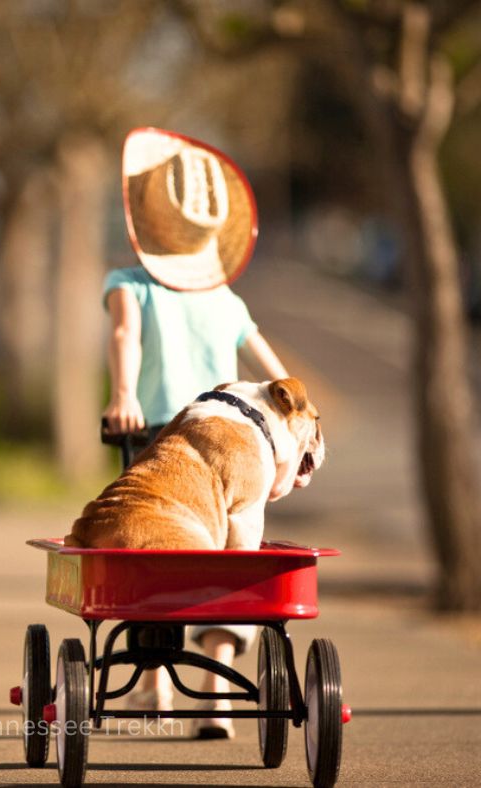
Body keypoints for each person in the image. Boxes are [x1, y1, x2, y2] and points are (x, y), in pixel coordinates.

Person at [102, 127, 289, 739]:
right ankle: (215, 695)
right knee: (231, 560)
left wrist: (124, 395)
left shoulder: (130, 285)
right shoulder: (224, 297)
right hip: (232, 445)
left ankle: (154, 686)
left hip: (160, 444)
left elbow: (125, 337)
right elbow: (273, 368)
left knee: (154, 560)